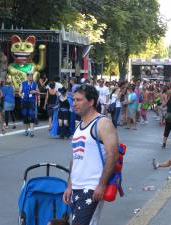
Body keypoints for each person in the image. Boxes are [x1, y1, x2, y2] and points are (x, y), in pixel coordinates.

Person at [63, 84, 118, 225]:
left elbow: (113, 155)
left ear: (91, 101)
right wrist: (69, 186)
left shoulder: (102, 123)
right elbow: (75, 158)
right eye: (73, 100)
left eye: (79, 100)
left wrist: (101, 184)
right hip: (76, 187)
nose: (74, 103)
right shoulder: (78, 126)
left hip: (92, 188)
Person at [19, 72, 39, 137]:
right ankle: (26, 131)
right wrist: (21, 95)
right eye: (29, 76)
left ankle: (32, 131)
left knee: (31, 114)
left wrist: (35, 92)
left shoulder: (35, 84)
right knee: (25, 115)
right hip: (24, 101)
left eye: (31, 76)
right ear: (27, 77)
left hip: (31, 101)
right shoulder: (23, 83)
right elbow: (19, 92)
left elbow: (38, 92)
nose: (31, 77)